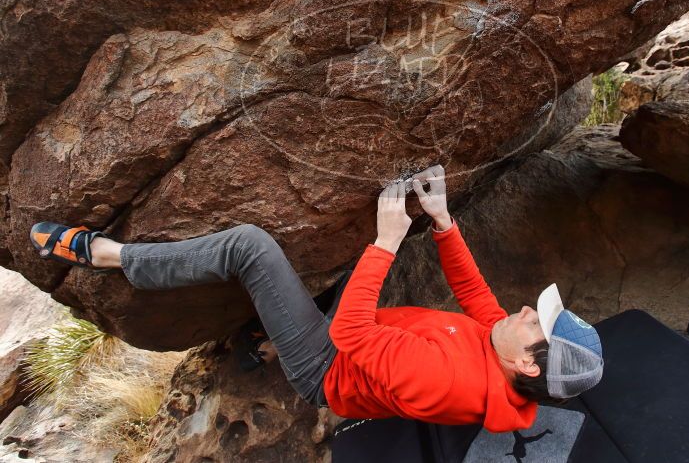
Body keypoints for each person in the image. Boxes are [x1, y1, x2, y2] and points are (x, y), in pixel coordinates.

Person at [29, 164, 603, 433]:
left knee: (252, 247)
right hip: (372, 337)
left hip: (328, 365)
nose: (527, 310)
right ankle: (268, 340)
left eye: (538, 324)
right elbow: (475, 294)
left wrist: (385, 240)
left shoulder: (449, 383)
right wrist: (442, 220)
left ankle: (108, 255)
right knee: (359, 274)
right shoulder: (506, 350)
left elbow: (348, 336)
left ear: (528, 362)